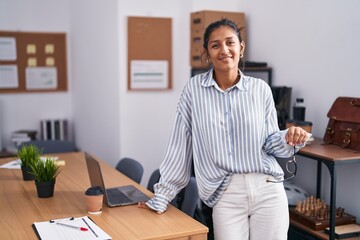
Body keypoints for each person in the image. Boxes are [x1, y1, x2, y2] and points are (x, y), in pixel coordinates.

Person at [138, 18, 311, 240]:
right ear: (207, 53)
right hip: (225, 194)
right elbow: (180, 146)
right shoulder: (194, 91)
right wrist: (162, 197)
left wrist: (288, 138)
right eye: (215, 45)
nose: (224, 50)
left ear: (241, 47)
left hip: (267, 188)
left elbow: (269, 142)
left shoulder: (260, 90)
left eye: (230, 42)